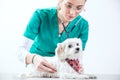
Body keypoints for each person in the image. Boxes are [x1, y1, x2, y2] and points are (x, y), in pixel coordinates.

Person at [17, 0, 88, 73]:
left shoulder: (83, 25)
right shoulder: (40, 15)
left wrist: (79, 67)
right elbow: (20, 52)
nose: (72, 13)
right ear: (60, 2)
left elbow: (79, 55)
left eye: (79, 8)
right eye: (68, 6)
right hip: (37, 68)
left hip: (62, 70)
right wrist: (32, 58)